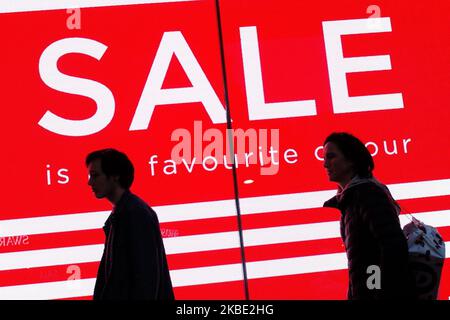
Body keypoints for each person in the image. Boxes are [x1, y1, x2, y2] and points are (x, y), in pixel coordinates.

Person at [322, 132, 414, 300]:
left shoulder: (367, 194)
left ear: (351, 159)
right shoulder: (352, 198)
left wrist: (376, 291)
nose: (325, 164)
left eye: (331, 156)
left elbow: (391, 247)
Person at [86, 148, 174, 300]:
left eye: (95, 175)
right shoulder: (123, 213)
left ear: (115, 176)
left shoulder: (135, 214)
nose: (89, 182)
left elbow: (146, 277)